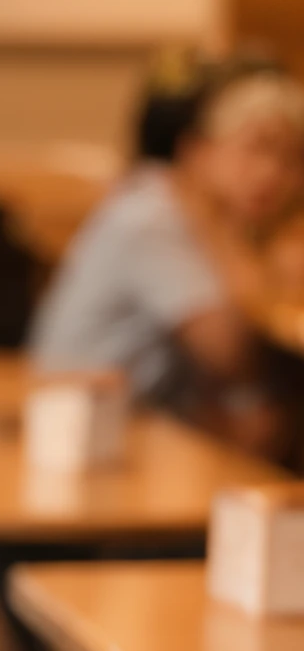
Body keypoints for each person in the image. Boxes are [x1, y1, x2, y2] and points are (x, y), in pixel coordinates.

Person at [31, 67, 304, 458]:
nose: (271, 173)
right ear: (199, 150)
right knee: (270, 422)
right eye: (255, 147)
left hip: (132, 411)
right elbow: (231, 354)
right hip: (79, 428)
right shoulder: (152, 215)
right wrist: (225, 237)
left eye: (292, 158)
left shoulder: (197, 209)